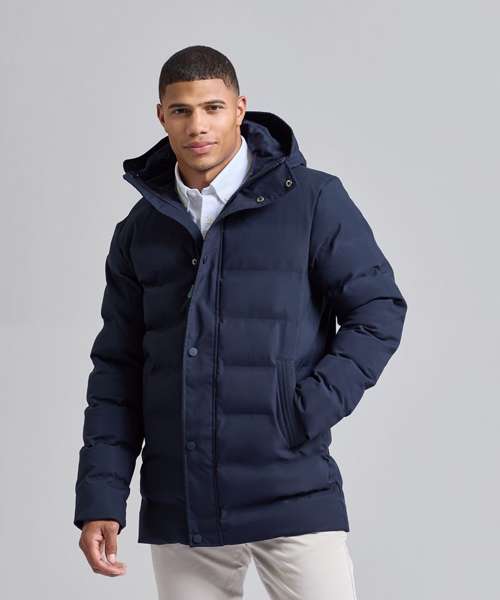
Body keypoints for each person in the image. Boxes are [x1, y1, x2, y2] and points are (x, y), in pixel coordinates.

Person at [74, 45, 408, 599]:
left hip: (291, 487)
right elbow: (117, 370)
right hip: (182, 501)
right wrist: (101, 499)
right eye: (181, 111)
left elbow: (378, 309)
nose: (197, 126)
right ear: (161, 116)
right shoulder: (140, 230)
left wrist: (305, 409)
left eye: (212, 107)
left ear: (239, 109)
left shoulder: (312, 200)